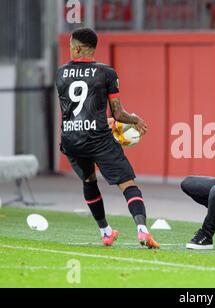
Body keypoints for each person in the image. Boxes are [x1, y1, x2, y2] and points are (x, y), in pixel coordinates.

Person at [55, 27, 159, 249]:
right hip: (98, 138)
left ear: (78, 47)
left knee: (89, 180)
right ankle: (142, 231)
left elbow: (73, 109)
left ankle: (106, 232)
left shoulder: (60, 73)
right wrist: (134, 120)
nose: (69, 47)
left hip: (72, 139)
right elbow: (118, 113)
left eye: (70, 44)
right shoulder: (107, 73)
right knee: (127, 183)